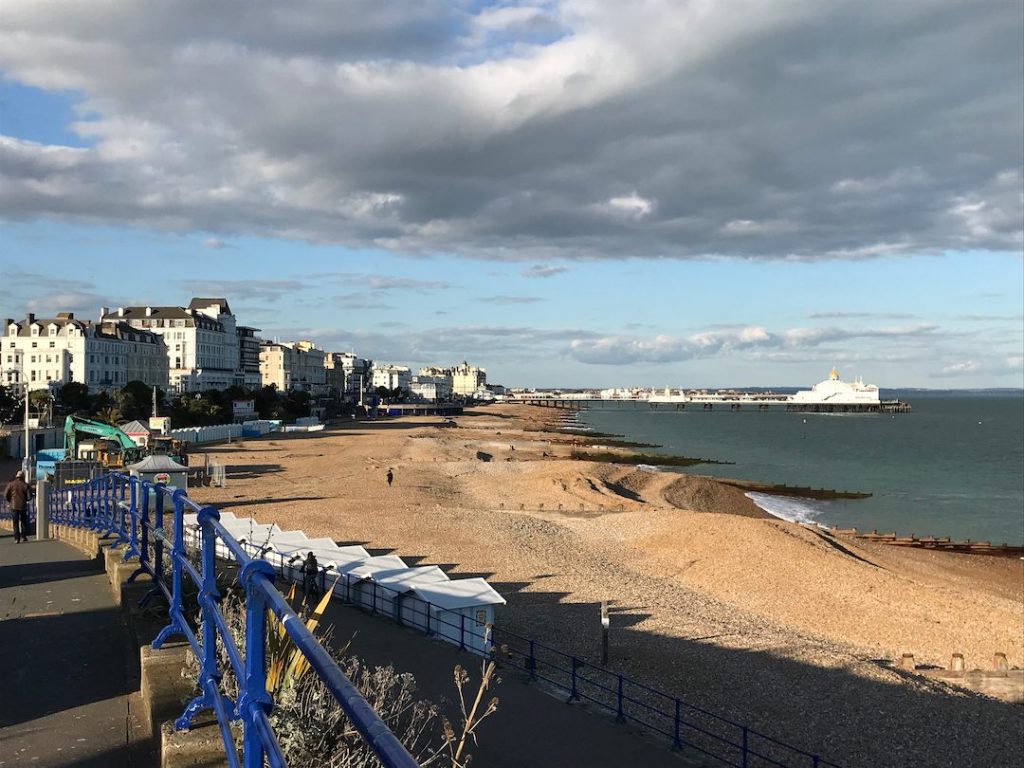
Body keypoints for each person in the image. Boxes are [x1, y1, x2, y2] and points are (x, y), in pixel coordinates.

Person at [4, 470, 31, 543]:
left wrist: (10, 500)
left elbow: (5, 494)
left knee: (15, 523)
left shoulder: (11, 484)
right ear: (23, 477)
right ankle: (24, 536)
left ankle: (16, 538)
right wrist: (25, 499)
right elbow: (29, 497)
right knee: (23, 522)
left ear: (16, 476)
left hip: (13, 506)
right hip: (23, 506)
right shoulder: (26, 485)